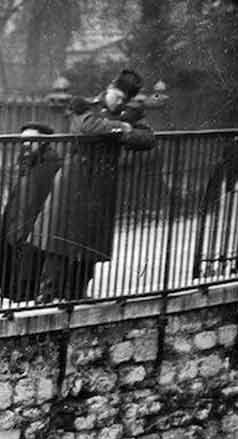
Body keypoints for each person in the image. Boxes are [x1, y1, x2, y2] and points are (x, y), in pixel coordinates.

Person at [29, 69, 157, 301]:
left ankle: (77, 294)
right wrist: (124, 128)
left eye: (122, 99)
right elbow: (86, 127)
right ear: (108, 88)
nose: (118, 101)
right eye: (115, 95)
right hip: (74, 182)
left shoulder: (129, 114)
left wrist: (116, 129)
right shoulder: (86, 106)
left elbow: (148, 139)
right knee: (60, 240)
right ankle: (46, 295)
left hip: (102, 186)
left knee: (90, 242)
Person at [0, 122, 63, 302]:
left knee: (28, 267)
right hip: (18, 219)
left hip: (34, 223)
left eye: (31, 140)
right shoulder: (28, 160)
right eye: (23, 141)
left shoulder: (50, 163)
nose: (26, 145)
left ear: (43, 142)